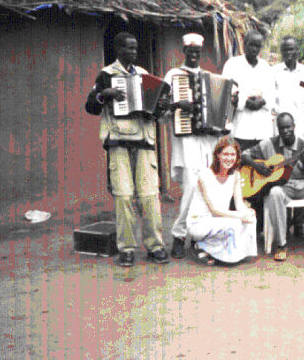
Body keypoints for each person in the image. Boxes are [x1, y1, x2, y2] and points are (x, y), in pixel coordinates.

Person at [84, 32, 169, 267]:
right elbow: (90, 106)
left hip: (144, 141)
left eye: (135, 48)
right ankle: (127, 248)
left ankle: (155, 245)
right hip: (119, 142)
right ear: (117, 50)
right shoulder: (106, 75)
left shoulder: (144, 76)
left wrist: (160, 105)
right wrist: (104, 94)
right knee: (123, 197)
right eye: (128, 48)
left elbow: (158, 112)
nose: (133, 52)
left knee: (150, 196)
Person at [163, 33, 226, 259]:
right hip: (187, 140)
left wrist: (227, 110)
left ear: (200, 53)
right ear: (184, 51)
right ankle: (179, 235)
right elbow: (160, 111)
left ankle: (202, 236)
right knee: (190, 188)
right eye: (190, 51)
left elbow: (222, 109)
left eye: (197, 52)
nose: (193, 55)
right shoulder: (173, 76)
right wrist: (176, 105)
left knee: (207, 186)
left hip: (208, 140)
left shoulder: (209, 77)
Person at [241, 113, 304, 262]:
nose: (285, 131)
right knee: (274, 193)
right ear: (277, 129)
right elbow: (244, 155)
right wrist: (256, 166)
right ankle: (281, 245)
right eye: (281, 128)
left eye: (288, 127)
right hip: (283, 187)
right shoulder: (269, 144)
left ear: (294, 126)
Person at [186, 137, 257, 264]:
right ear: (218, 155)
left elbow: (239, 204)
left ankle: (216, 250)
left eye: (232, 154)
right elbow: (214, 210)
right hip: (200, 221)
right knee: (235, 224)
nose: (229, 158)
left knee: (250, 217)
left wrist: (247, 212)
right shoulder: (205, 175)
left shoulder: (235, 175)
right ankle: (202, 245)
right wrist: (240, 216)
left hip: (220, 218)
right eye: (225, 154)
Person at [221, 30, 276, 151]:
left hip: (263, 130)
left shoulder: (266, 67)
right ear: (244, 44)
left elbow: (272, 95)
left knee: (262, 166)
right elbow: (226, 92)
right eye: (251, 45)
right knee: (241, 167)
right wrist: (245, 102)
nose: (254, 49)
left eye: (258, 46)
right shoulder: (232, 65)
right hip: (240, 129)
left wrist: (261, 102)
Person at [272, 35, 304, 143]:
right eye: (285, 50)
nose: (288, 53)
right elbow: (271, 103)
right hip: (281, 129)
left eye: (291, 49)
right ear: (281, 52)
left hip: (301, 128)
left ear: (297, 51)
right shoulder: (274, 72)